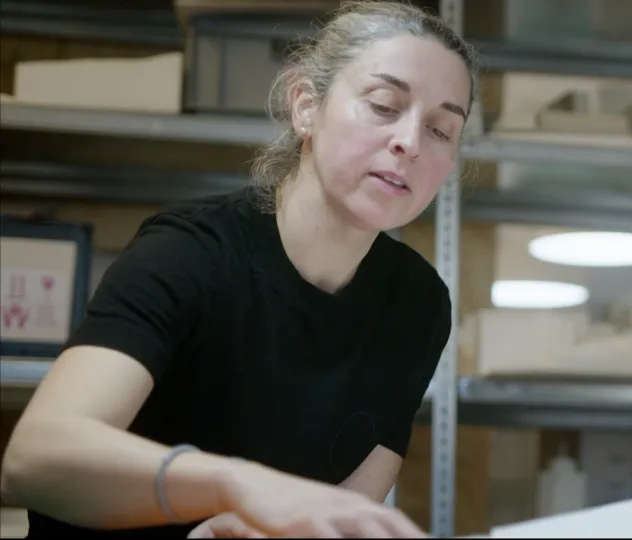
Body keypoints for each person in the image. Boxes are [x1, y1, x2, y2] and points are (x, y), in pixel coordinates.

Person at [0, 1, 477, 537]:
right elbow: (33, 461)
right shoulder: (191, 252)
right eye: (385, 104)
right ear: (304, 106)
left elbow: (344, 511)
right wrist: (236, 486)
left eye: (441, 130)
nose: (409, 142)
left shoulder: (417, 304)